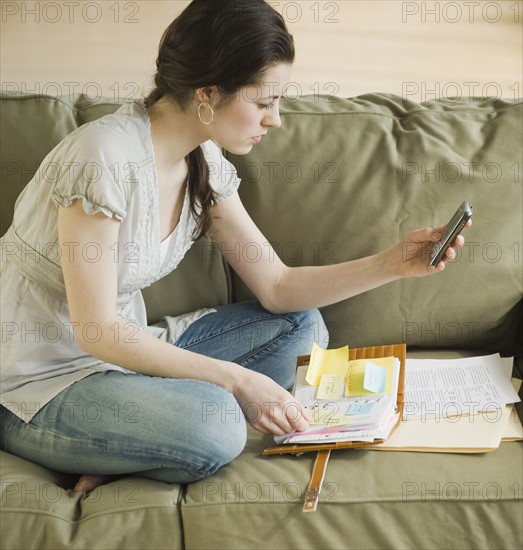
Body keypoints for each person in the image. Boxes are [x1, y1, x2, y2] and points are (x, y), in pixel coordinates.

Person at [0, 0, 470, 494]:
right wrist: (237, 381)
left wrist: (394, 263)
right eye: (264, 102)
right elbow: (97, 331)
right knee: (217, 423)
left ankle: (135, 435)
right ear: (207, 92)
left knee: (302, 325)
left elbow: (280, 287)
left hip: (125, 362)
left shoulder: (202, 161)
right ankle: (134, 437)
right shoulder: (102, 158)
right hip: (37, 386)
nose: (277, 120)